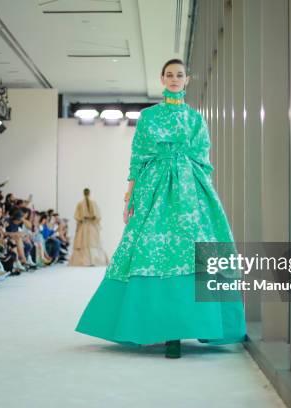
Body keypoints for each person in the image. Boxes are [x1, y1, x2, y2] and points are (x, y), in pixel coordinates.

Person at [75, 59, 247, 358]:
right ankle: (159, 327)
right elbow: (138, 158)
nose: (174, 79)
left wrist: (203, 194)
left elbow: (203, 159)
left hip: (190, 191)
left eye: (179, 75)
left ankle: (186, 327)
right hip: (153, 187)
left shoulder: (195, 119)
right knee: (146, 248)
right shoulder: (148, 117)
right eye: (169, 75)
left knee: (193, 248)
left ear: (187, 80)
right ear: (162, 79)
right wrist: (130, 196)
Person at [69, 188, 109, 266]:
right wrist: (83, 219)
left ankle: (94, 261)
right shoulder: (80, 204)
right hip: (84, 225)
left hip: (91, 225)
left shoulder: (93, 203)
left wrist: (93, 218)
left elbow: (98, 215)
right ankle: (85, 261)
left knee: (92, 242)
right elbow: (77, 215)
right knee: (84, 242)